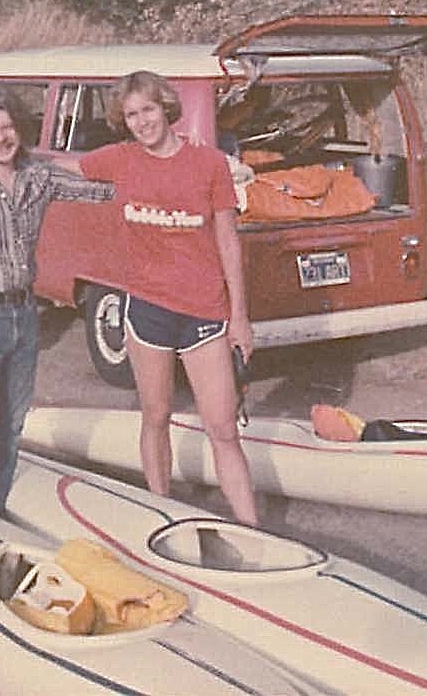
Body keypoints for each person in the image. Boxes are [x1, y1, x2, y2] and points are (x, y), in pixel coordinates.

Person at [57, 70, 258, 525]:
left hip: (204, 312)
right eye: (131, 115)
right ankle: (162, 512)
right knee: (155, 414)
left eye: (148, 109)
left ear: (165, 108)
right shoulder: (120, 159)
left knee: (224, 428)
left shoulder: (208, 164)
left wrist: (240, 319)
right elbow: (61, 165)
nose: (142, 121)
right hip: (147, 309)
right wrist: (5, 153)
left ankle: (252, 528)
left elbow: (229, 243)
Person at [0, 83, 114, 514]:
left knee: (10, 430)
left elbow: (102, 191)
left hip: (23, 317)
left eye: (7, 127)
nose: (0, 138)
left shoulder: (37, 176)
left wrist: (159, 169)